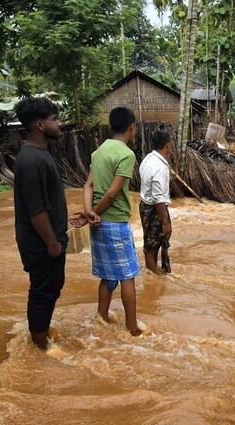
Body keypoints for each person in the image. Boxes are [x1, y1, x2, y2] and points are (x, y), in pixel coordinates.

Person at [13, 97, 69, 350]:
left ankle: (41, 334)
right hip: (42, 244)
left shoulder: (39, 155)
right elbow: (36, 211)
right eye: (54, 119)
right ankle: (39, 347)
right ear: (39, 125)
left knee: (50, 289)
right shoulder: (31, 160)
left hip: (48, 240)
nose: (59, 124)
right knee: (43, 292)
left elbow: (46, 202)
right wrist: (52, 243)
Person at [83, 107, 142, 336]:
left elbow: (88, 186)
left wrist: (89, 213)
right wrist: (94, 213)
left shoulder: (99, 152)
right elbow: (112, 194)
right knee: (128, 275)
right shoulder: (126, 154)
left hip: (98, 224)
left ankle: (102, 318)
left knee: (107, 275)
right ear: (131, 128)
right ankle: (132, 327)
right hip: (115, 222)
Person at [139, 130, 173, 274]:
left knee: (150, 244)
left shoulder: (148, 158)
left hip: (146, 206)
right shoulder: (159, 166)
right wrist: (165, 222)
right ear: (167, 146)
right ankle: (154, 276)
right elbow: (158, 197)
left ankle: (153, 275)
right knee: (153, 246)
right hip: (155, 209)